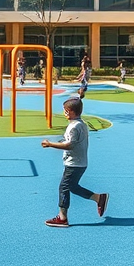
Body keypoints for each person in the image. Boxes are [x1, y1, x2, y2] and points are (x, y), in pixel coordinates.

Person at [41, 97, 108, 227]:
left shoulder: (74, 127)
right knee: (72, 187)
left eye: (66, 111)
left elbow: (70, 145)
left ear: (72, 112)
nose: (64, 113)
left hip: (74, 163)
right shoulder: (81, 124)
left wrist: (50, 144)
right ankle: (99, 198)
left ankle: (62, 218)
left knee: (64, 187)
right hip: (80, 162)